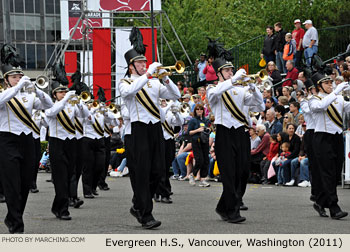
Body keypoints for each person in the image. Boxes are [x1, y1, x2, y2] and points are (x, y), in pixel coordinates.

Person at [118, 28, 181, 229]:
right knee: (142, 172)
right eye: (140, 63)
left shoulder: (153, 83)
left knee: (158, 171)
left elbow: (176, 95)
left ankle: (138, 205)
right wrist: (147, 74)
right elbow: (130, 91)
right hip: (138, 130)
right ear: (131, 66)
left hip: (155, 130)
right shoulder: (125, 82)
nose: (144, 65)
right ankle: (146, 214)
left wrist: (165, 78)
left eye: (145, 62)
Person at [0, 46, 53, 233]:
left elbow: (49, 104)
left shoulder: (29, 96)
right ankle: (16, 224)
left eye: (19, 76)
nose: (18, 79)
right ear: (6, 79)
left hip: (27, 141)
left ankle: (13, 217)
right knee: (12, 184)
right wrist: (17, 87)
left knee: (24, 184)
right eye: (14, 77)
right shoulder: (4, 94)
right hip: (6, 141)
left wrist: (37, 90)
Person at [207, 54, 264, 223]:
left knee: (243, 171)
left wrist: (254, 88)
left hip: (241, 133)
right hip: (224, 133)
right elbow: (215, 93)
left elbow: (259, 105)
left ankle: (224, 206)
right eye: (226, 70)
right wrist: (232, 81)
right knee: (229, 173)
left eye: (231, 69)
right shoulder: (213, 89)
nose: (231, 72)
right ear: (219, 74)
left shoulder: (241, 90)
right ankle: (232, 210)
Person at [45, 81, 89, 220]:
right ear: (54, 94)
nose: (63, 94)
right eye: (60, 92)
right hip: (57, 142)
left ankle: (57, 206)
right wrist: (65, 99)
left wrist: (80, 103)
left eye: (65, 92)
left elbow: (84, 115)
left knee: (69, 174)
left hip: (71, 142)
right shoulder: (51, 105)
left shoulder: (71, 105)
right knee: (60, 177)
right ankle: (63, 210)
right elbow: (52, 113)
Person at [308, 72, 349, 219]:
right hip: (322, 138)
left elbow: (348, 109)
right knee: (327, 172)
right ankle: (334, 207)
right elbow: (320, 106)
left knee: (335, 173)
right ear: (319, 86)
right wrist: (336, 92)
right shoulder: (314, 99)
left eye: (331, 83)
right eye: (326, 83)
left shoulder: (337, 98)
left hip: (337, 138)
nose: (330, 85)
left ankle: (320, 201)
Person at [187, 103, 211, 187]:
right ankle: (192, 174)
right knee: (199, 159)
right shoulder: (193, 120)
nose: (199, 111)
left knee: (206, 160)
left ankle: (203, 179)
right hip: (196, 141)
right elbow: (189, 132)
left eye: (201, 109)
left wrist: (207, 129)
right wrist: (198, 130)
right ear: (195, 111)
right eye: (197, 109)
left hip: (204, 141)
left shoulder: (205, 120)